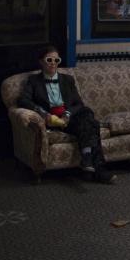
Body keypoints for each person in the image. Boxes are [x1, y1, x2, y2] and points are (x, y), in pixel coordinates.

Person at [17, 45, 116, 184]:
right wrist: (44, 114)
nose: (53, 63)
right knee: (92, 123)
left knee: (87, 115)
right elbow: (23, 100)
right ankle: (98, 169)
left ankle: (88, 161)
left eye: (56, 60)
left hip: (69, 119)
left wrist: (67, 114)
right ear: (41, 61)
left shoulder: (67, 80)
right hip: (52, 121)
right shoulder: (34, 81)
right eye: (49, 59)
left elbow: (78, 103)